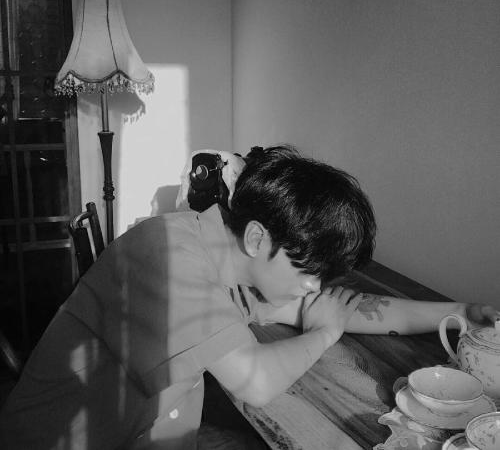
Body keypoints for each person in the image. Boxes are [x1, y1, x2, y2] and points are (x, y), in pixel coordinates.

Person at [0, 145, 498, 450]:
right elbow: (256, 381)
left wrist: (460, 313)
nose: (314, 286)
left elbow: (341, 307)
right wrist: (324, 333)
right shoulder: (164, 252)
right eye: (309, 272)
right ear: (259, 238)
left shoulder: (232, 258)